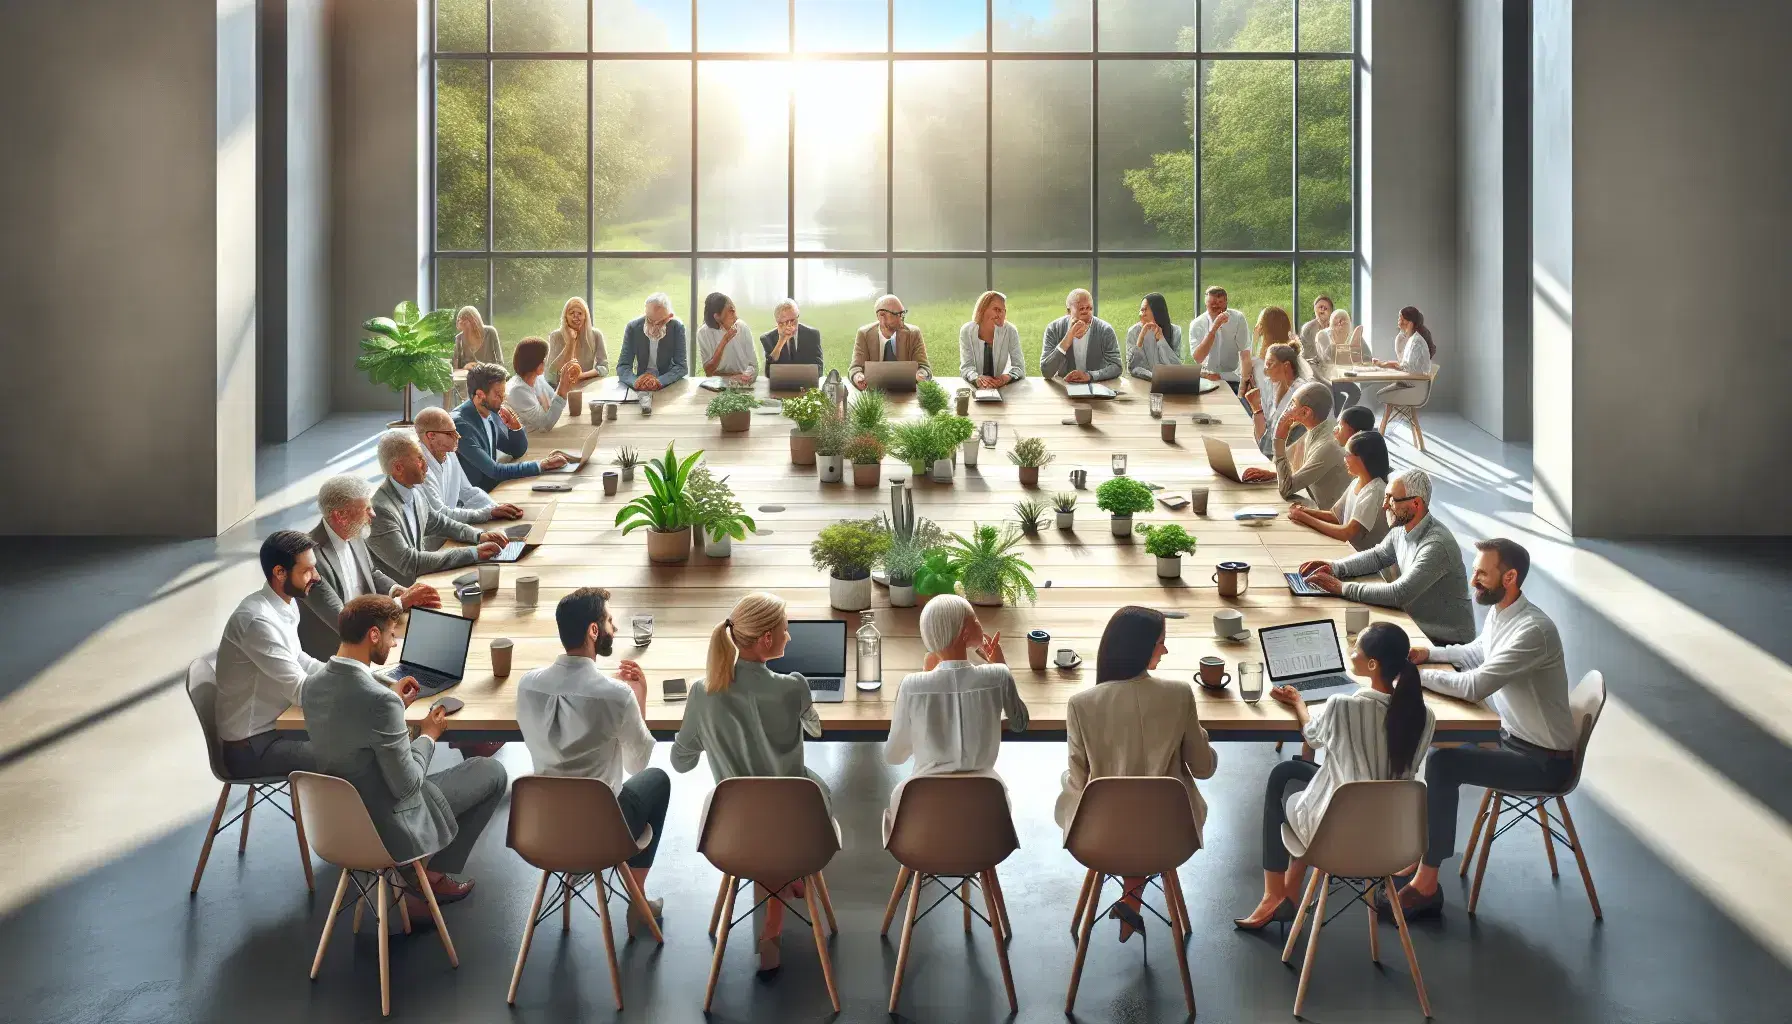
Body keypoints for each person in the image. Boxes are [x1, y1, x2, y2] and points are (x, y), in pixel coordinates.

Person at [1385, 538, 1577, 920]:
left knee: (1443, 764)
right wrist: (1430, 655)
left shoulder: (1533, 631)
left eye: (1481, 573)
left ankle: (1427, 884)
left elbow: (1475, 686)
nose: (1473, 579)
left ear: (1510, 577)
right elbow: (1477, 652)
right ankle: (1424, 850)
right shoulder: (1502, 611)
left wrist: (1414, 677)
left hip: (1544, 762)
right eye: (1475, 570)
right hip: (1512, 737)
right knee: (1432, 743)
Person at [301, 595, 509, 916]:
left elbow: (355, 731)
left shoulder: (312, 686)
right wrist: (429, 734)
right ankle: (424, 879)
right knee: (491, 773)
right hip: (385, 827)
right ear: (373, 635)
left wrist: (395, 707)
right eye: (391, 634)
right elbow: (407, 787)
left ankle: (418, 874)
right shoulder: (379, 701)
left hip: (337, 825)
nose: (394, 643)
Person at [1234, 622, 1436, 930]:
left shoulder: (1342, 705)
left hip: (1335, 833)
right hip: (1394, 836)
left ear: (1372, 664)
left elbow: (1312, 737)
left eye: (1357, 649)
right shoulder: (1424, 716)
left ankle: (1275, 895)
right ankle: (1286, 893)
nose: (1350, 653)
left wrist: (1299, 702)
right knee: (1314, 782)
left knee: (1283, 776)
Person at [670, 592, 823, 974]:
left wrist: (712, 733)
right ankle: (775, 916)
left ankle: (778, 886)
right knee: (808, 793)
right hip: (795, 830)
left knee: (758, 811)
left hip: (733, 835)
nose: (790, 637)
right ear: (766, 640)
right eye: (786, 630)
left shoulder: (702, 693)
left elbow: (681, 762)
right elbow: (815, 729)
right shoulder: (793, 686)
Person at [1055, 606, 1217, 942]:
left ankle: (1131, 901)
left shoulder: (1081, 704)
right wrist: (1204, 740)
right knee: (1146, 805)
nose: (1165, 650)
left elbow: (1078, 782)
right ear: (1140, 647)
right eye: (1161, 642)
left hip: (1101, 837)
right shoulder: (1179, 694)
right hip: (1171, 835)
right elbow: (1204, 769)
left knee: (1110, 799)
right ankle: (1132, 902)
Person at [516, 587, 670, 935]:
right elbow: (637, 764)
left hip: (543, 831)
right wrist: (638, 698)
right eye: (609, 621)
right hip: (601, 833)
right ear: (593, 631)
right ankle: (639, 901)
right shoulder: (618, 696)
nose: (614, 628)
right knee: (658, 780)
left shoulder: (527, 685)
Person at [884, 596, 1031, 821]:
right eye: (975, 619)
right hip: (986, 816)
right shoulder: (998, 675)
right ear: (964, 632)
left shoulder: (912, 686)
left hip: (924, 819)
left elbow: (894, 756)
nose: (980, 624)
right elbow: (1020, 723)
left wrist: (927, 687)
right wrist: (1002, 667)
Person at [1298, 468, 1476, 644]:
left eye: (1392, 499)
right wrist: (1335, 567)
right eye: (1386, 497)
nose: (1385, 505)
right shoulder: (1401, 528)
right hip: (1416, 625)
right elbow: (1378, 556)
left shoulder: (1436, 545)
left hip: (1444, 643)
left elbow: (1399, 593)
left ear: (1416, 504)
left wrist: (1342, 588)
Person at [213, 531, 326, 778]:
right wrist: (354, 690)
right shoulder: (257, 621)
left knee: (357, 738)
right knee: (354, 757)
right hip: (254, 747)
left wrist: (348, 675)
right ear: (279, 572)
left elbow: (300, 659)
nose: (316, 577)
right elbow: (300, 692)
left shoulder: (285, 602)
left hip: (280, 726)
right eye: (307, 571)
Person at [298, 474, 439, 659]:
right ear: (341, 516)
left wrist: (397, 591)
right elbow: (343, 622)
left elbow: (371, 574)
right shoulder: (309, 560)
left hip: (372, 637)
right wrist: (401, 603)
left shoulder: (353, 531)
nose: (373, 514)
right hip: (337, 657)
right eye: (367, 508)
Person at [367, 429, 505, 587]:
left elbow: (438, 522)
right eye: (419, 459)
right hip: (406, 596)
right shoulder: (380, 511)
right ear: (398, 468)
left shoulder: (414, 492)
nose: (426, 466)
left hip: (424, 582)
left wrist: (479, 536)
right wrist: (473, 553)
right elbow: (410, 562)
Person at [453, 363, 568, 492]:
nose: (503, 399)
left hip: (494, 489)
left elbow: (517, 450)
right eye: (498, 394)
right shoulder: (461, 426)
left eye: (503, 393)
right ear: (480, 395)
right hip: (474, 500)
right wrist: (541, 465)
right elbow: (494, 471)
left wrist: (516, 426)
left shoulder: (489, 412)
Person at [1247, 380, 1351, 508]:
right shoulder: (1317, 429)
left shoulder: (1328, 445)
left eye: (1293, 404)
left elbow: (1286, 488)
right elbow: (1288, 465)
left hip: (1331, 518)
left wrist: (1279, 437)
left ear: (1305, 412)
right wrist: (1273, 474)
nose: (1288, 409)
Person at [414, 407, 524, 527]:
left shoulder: (448, 453)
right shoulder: (419, 468)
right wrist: (488, 513)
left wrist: (496, 508)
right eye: (450, 433)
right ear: (431, 436)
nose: (458, 436)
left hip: (451, 528)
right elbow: (440, 513)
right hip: (430, 539)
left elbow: (467, 492)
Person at [1289, 429, 1393, 552]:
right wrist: (1305, 511)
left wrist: (1305, 518)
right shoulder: (1357, 481)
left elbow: (1347, 533)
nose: (1344, 458)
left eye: (1348, 454)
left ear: (1363, 459)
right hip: (1346, 550)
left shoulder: (1374, 492)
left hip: (1362, 559)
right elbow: (1336, 516)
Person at [1240, 332, 1309, 457]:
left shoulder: (1299, 393)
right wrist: (1257, 409)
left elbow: (1270, 447)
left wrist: (1257, 409)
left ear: (1286, 366)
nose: (1265, 369)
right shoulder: (1274, 386)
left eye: (1270, 364)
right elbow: (1265, 439)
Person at [1373, 305, 1437, 430]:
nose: (1399, 322)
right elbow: (1406, 367)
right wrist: (1383, 365)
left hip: (1415, 389)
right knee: (1380, 393)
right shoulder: (1413, 339)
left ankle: (1381, 431)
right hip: (1412, 385)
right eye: (1399, 318)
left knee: (1380, 394)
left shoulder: (1416, 342)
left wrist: (1385, 366)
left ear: (1410, 323)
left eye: (1402, 319)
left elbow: (1408, 371)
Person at [1040, 288, 1121, 383]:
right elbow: (1046, 372)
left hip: (1096, 386)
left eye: (1089, 308)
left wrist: (1090, 376)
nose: (1086, 312)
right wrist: (1067, 339)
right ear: (1068, 311)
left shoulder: (1105, 330)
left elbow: (1117, 366)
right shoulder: (1053, 329)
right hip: (1064, 386)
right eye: (1081, 308)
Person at [850, 294, 931, 388]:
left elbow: (924, 367)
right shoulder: (864, 334)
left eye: (903, 313)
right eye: (898, 314)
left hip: (905, 393)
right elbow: (855, 368)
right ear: (881, 316)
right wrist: (857, 377)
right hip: (874, 394)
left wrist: (921, 374)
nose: (902, 318)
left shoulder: (913, 333)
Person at [505, 337, 581, 434]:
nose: (546, 362)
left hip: (540, 436)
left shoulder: (537, 378)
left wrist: (565, 385)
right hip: (530, 441)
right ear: (535, 364)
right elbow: (545, 425)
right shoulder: (518, 391)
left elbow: (551, 403)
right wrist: (562, 388)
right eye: (544, 359)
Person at [615, 292, 687, 391]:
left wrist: (659, 381)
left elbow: (681, 366)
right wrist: (635, 381)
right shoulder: (633, 328)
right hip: (640, 384)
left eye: (660, 322)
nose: (654, 328)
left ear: (670, 317)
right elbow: (623, 366)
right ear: (645, 313)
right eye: (650, 320)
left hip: (666, 384)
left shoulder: (677, 327)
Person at [957, 290, 1025, 388]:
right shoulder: (966, 331)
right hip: (975, 389)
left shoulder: (1010, 331)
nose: (1001, 314)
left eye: (1003, 311)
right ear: (982, 309)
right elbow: (966, 367)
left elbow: (1019, 367)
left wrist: (1006, 378)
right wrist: (977, 379)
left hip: (1003, 389)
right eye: (996, 309)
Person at [1190, 286, 1251, 387]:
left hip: (1232, 378)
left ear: (1226, 302)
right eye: (1212, 303)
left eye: (1220, 303)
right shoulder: (1197, 324)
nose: (1216, 307)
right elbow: (1198, 358)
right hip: (1207, 377)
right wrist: (1214, 328)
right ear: (1206, 303)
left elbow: (1245, 353)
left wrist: (1244, 383)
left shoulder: (1238, 319)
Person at [696, 292, 757, 384]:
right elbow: (709, 372)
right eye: (731, 311)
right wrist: (725, 340)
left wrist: (745, 376)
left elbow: (753, 365)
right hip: (716, 383)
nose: (736, 316)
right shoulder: (703, 333)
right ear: (717, 317)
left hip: (741, 381)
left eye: (734, 310)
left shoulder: (742, 327)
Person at [1313, 308, 1367, 410]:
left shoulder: (1352, 334)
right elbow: (1326, 360)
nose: (1340, 325)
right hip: (1326, 377)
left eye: (1345, 323)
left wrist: (1365, 360)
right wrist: (1337, 344)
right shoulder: (1323, 335)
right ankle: (1341, 418)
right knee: (1345, 394)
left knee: (1356, 392)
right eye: (1336, 322)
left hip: (1347, 374)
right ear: (1331, 323)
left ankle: (1343, 418)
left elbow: (1366, 356)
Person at [546, 296, 607, 383]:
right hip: (560, 388)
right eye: (571, 313)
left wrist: (581, 376)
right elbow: (550, 376)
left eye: (580, 313)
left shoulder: (596, 335)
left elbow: (604, 367)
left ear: (585, 316)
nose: (576, 317)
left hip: (587, 386)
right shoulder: (556, 336)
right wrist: (570, 343)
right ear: (565, 316)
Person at [1126, 292, 1183, 379]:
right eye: (1141, 310)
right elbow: (1132, 367)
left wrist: (1161, 340)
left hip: (1169, 382)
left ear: (1157, 311)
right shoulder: (1133, 331)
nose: (1142, 314)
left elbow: (1177, 367)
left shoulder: (1175, 331)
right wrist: (1140, 338)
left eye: (1145, 310)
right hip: (1143, 382)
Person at [760, 298, 825, 371]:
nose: (790, 325)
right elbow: (769, 371)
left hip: (806, 381)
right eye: (786, 321)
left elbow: (819, 368)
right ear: (778, 322)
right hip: (780, 382)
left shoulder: (812, 335)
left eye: (793, 320)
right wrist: (781, 340)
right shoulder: (767, 338)